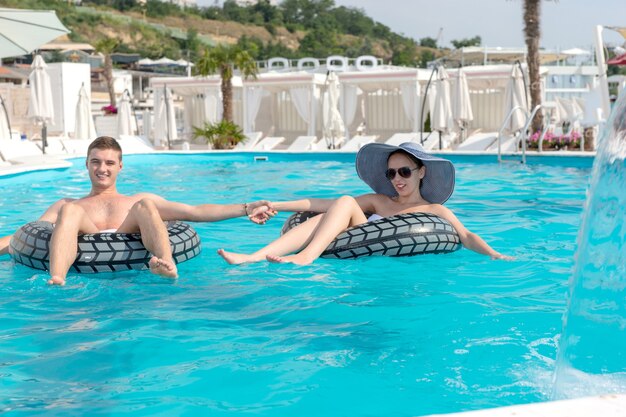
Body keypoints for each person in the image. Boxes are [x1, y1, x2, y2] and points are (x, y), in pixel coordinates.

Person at [0, 136, 274, 285]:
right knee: (69, 209)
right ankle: (57, 278)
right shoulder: (67, 205)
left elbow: (195, 211)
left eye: (109, 162)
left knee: (145, 205)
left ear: (120, 166)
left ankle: (166, 265)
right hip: (78, 253)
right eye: (95, 162)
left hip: (134, 253)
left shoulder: (137, 199)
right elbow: (24, 238)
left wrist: (246, 207)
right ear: (86, 164)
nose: (102, 168)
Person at [218, 142, 512, 265]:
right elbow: (324, 204)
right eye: (391, 173)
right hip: (358, 239)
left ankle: (302, 257)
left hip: (389, 272)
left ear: (421, 172)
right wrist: (275, 205)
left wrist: (496, 255)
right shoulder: (381, 201)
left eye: (405, 172)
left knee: (343, 204)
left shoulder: (435, 211)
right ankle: (254, 258)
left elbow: (466, 236)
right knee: (339, 206)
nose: (397, 179)